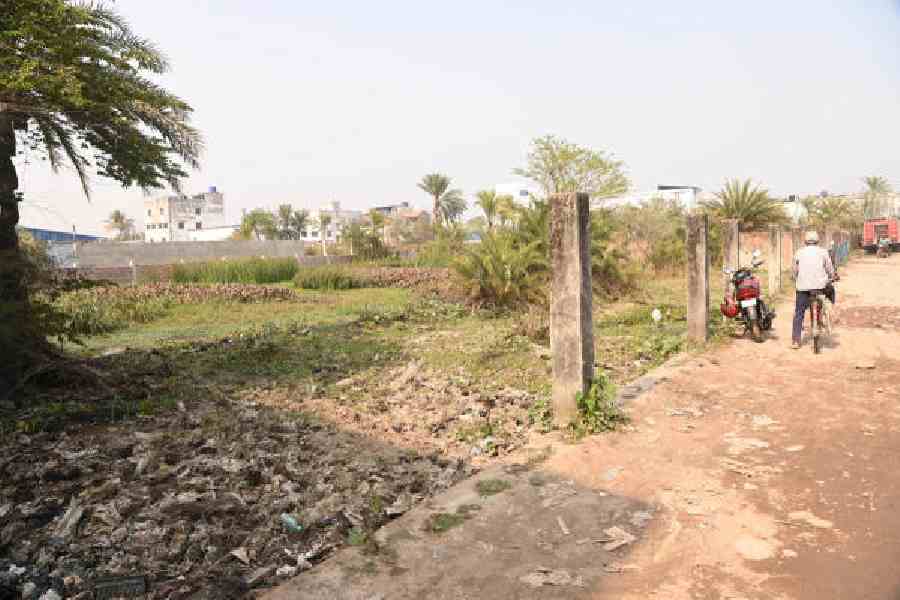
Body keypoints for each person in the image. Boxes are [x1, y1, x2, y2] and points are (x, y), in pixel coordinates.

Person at [791, 231, 836, 349]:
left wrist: (795, 277)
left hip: (802, 287)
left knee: (799, 313)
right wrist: (832, 276)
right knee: (831, 290)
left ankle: (796, 340)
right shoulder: (823, 252)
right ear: (817, 241)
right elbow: (830, 268)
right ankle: (829, 308)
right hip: (819, 287)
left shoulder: (799, 252)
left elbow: (794, 270)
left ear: (805, 241)